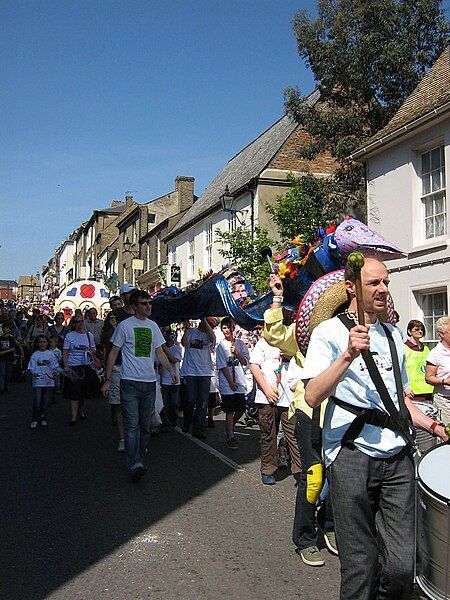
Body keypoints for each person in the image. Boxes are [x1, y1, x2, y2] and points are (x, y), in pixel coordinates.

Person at [302, 257, 448, 599]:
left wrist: (432, 425)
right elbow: (311, 395)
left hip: (397, 455)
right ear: (352, 287)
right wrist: (348, 355)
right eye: (374, 283)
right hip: (351, 454)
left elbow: (398, 401)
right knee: (360, 564)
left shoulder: (393, 336)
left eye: (386, 282)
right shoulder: (329, 333)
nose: (383, 289)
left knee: (401, 567)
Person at [263, 276, 336, 566]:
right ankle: (305, 539)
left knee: (340, 476)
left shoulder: (349, 331)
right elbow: (274, 336)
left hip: (342, 414)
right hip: (309, 412)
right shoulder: (305, 334)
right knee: (313, 477)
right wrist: (277, 298)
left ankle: (330, 526)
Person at [101, 290, 178, 481]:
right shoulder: (124, 326)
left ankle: (139, 458)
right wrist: (108, 379)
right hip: (129, 382)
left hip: (149, 382)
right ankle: (134, 461)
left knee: (145, 425)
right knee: (132, 425)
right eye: (144, 303)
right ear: (135, 306)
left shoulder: (153, 326)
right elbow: (113, 353)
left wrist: (171, 370)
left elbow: (159, 352)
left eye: (149, 303)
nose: (148, 306)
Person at [249, 336, 301, 482]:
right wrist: (266, 390)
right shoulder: (263, 342)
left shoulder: (292, 340)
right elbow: (254, 365)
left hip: (288, 398)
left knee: (293, 434)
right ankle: (268, 469)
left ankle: (299, 471)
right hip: (267, 397)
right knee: (268, 433)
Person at [216, 317, 249, 449]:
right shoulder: (221, 346)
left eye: (229, 327)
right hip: (227, 382)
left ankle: (231, 426)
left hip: (239, 381)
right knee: (229, 410)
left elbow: (245, 361)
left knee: (241, 408)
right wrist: (230, 382)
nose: (227, 330)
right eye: (224, 327)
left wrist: (237, 353)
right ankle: (230, 435)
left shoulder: (240, 344)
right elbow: (222, 366)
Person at [180, 318, 215, 440]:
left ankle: (198, 429)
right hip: (190, 372)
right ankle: (187, 421)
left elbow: (213, 338)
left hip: (205, 373)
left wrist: (205, 320)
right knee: (190, 400)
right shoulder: (191, 331)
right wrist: (187, 328)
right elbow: (184, 343)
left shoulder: (209, 335)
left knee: (202, 403)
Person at [63, 315, 97, 425]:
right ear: (73, 323)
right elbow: (66, 352)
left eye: (81, 321)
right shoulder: (69, 336)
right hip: (74, 366)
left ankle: (80, 410)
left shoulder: (89, 335)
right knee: (74, 391)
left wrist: (90, 353)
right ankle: (73, 417)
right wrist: (66, 366)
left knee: (83, 391)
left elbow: (93, 350)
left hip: (86, 365)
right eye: (77, 321)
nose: (80, 323)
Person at [101, 312, 124, 451]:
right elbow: (108, 354)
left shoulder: (128, 329)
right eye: (111, 319)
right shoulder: (108, 335)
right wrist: (107, 377)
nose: (114, 321)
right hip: (116, 368)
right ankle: (123, 438)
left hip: (130, 369)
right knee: (118, 404)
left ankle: (134, 438)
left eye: (116, 318)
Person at [28, 335, 59, 427]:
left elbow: (55, 366)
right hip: (38, 381)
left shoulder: (51, 354)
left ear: (47, 343)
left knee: (46, 400)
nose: (42, 344)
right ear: (37, 343)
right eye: (40, 342)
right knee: (37, 400)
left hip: (48, 380)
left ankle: (43, 416)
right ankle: (35, 418)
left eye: (44, 342)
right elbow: (31, 367)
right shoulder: (35, 354)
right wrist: (34, 373)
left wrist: (56, 373)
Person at [425, 315, 450, 424]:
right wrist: (444, 381)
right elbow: (428, 378)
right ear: (441, 334)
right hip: (444, 400)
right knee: (447, 431)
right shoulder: (435, 353)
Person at [404, 319, 434, 402]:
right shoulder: (403, 348)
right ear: (409, 331)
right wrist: (405, 388)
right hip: (412, 393)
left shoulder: (426, 349)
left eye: (422, 330)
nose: (420, 331)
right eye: (416, 329)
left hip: (429, 391)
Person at [159, 327, 182, 430]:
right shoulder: (160, 350)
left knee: (174, 403)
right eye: (167, 337)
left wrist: (165, 351)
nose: (169, 339)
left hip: (174, 381)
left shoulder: (177, 348)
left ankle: (173, 421)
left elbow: (175, 360)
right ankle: (166, 422)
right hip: (164, 380)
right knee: (164, 403)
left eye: (171, 337)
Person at [0, 321, 18, 395]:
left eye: (6, 328)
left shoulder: (11, 338)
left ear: (9, 329)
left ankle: (5, 386)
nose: (4, 329)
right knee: (2, 373)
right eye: (3, 328)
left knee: (8, 374)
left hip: (9, 358)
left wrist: (4, 352)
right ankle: (1, 388)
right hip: (1, 358)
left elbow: (13, 348)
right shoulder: (0, 338)